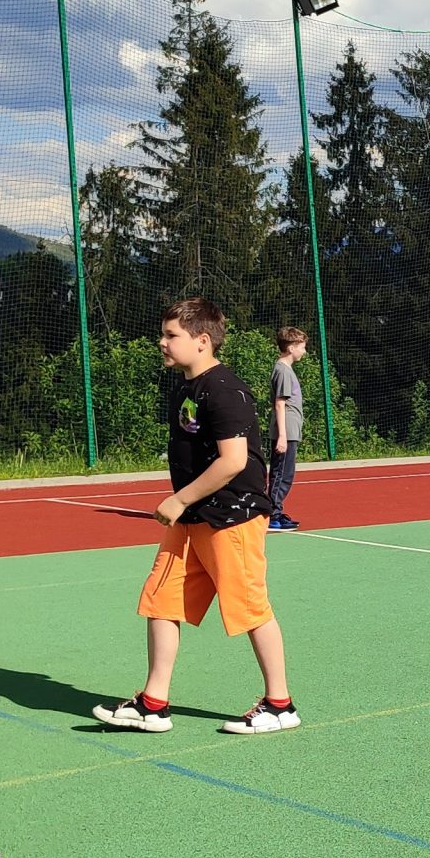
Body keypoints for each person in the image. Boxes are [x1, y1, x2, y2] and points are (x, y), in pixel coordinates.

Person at [93, 298, 301, 734]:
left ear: (202, 341)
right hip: (193, 518)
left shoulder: (225, 389)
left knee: (250, 607)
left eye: (171, 335)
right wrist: (185, 505)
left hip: (233, 516)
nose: (162, 342)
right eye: (163, 334)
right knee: (161, 601)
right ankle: (153, 705)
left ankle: (280, 705)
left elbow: (233, 461)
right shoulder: (185, 389)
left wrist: (177, 500)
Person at [268, 326, 308, 532]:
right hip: (286, 431)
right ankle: (272, 515)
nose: (304, 351)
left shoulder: (286, 370)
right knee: (281, 474)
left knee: (286, 473)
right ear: (291, 348)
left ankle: (276, 510)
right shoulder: (283, 370)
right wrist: (282, 436)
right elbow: (280, 404)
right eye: (302, 347)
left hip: (291, 430)